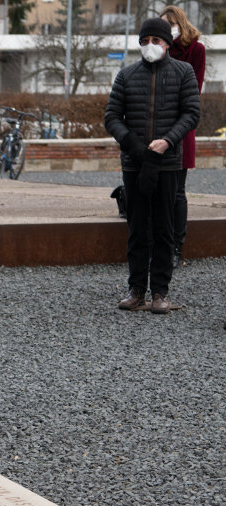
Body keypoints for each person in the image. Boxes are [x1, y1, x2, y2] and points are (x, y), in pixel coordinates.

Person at [105, 17, 200, 314]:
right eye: (144, 41)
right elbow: (111, 117)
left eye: (155, 41)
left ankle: (160, 292)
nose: (150, 46)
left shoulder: (184, 73)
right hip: (135, 165)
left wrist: (167, 141)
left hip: (168, 163)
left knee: (163, 229)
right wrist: (133, 145)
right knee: (136, 229)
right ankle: (136, 290)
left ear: (167, 44)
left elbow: (191, 113)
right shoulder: (126, 75)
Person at [160, 5, 206, 268]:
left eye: (171, 24)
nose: (168, 29)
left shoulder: (196, 50)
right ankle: (160, 243)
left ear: (180, 23)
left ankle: (177, 247)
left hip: (181, 127)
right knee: (158, 191)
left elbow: (194, 91)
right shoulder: (160, 46)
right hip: (156, 127)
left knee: (177, 191)